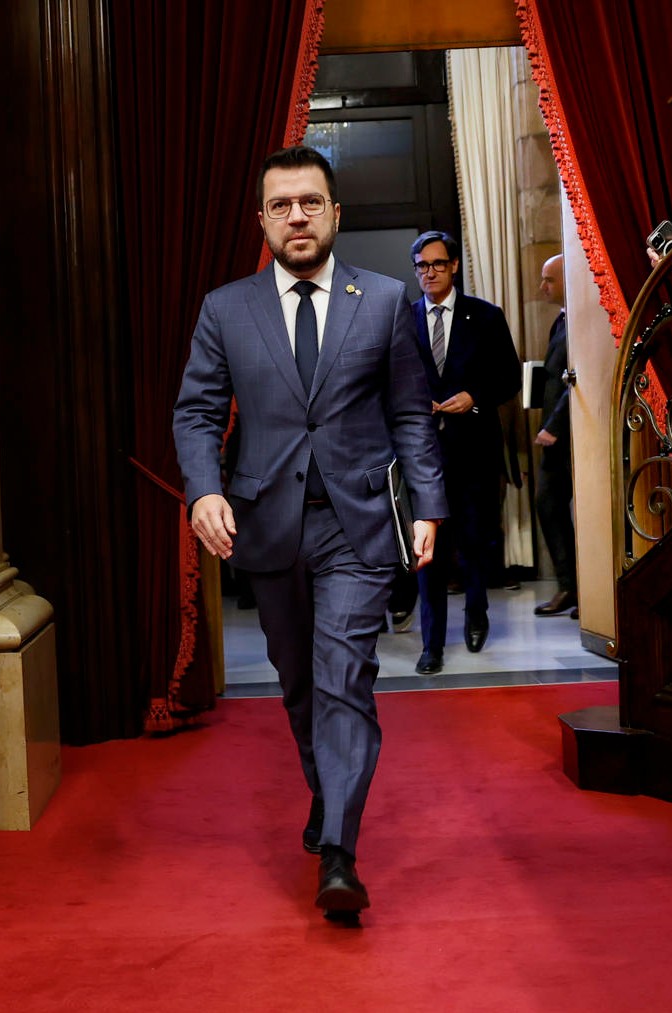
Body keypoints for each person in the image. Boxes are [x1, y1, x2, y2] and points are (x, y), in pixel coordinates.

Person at [172, 146, 445, 921]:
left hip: (357, 526)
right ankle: (330, 796)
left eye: (312, 202)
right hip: (268, 526)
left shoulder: (388, 300)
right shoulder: (227, 308)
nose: (298, 215)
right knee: (300, 687)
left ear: (335, 213)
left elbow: (409, 413)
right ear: (261, 219)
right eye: (282, 204)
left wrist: (428, 505)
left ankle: (339, 855)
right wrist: (204, 490)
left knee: (343, 679)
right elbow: (195, 412)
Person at [407, 230, 521, 674]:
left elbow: (508, 377)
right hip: (425, 452)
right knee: (428, 548)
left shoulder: (485, 317)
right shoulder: (405, 319)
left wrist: (474, 396)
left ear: (454, 266)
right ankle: (431, 642)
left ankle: (477, 614)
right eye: (421, 266)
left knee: (475, 540)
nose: (428, 272)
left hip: (474, 447)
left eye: (436, 264)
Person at [533, 254, 578, 618]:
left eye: (549, 279)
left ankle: (576, 588)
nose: (542, 287)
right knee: (547, 505)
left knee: (552, 503)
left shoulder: (579, 318)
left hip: (570, 434)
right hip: (555, 432)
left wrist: (554, 426)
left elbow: (577, 379)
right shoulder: (562, 318)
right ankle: (569, 585)